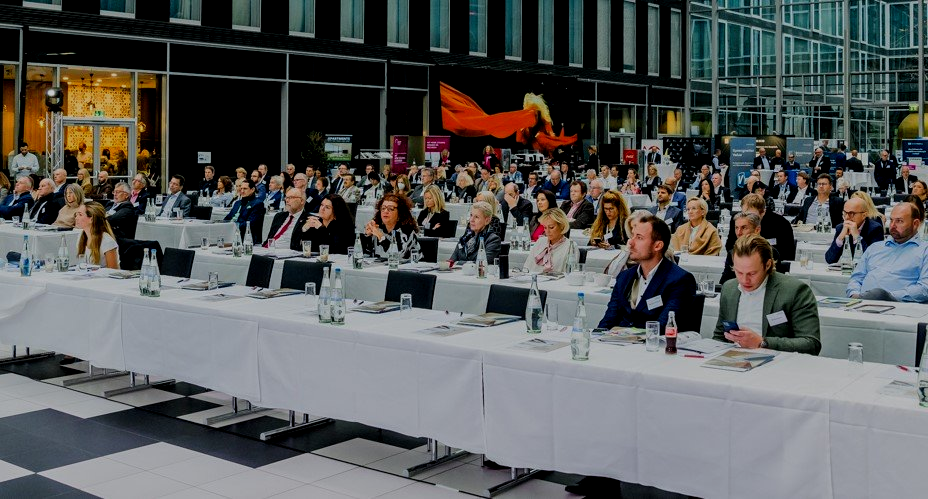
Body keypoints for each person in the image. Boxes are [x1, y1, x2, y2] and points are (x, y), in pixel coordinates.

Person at [713, 234, 821, 354]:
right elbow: (719, 336)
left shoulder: (795, 291)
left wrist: (762, 343)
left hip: (777, 362)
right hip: (732, 359)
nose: (744, 280)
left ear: (768, 265)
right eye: (739, 272)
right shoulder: (729, 289)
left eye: (752, 273)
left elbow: (811, 344)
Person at [599, 214, 698, 331]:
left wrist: (623, 333)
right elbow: (607, 321)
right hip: (616, 341)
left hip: (653, 341)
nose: (630, 242)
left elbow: (663, 327)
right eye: (632, 236)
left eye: (639, 238)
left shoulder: (680, 280)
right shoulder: (624, 277)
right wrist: (597, 337)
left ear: (657, 246)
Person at [847, 202, 928, 302]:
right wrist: (854, 294)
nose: (893, 225)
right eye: (891, 220)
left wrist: (889, 297)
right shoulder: (875, 247)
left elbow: (925, 288)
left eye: (899, 221)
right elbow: (856, 278)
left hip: (899, 306)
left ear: (915, 224)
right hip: (860, 303)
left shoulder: (924, 251)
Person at [725, 193, 796, 261]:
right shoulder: (738, 220)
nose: (747, 218)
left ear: (763, 212)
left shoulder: (782, 224)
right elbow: (730, 245)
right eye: (744, 213)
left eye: (752, 215)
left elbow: (788, 254)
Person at [824, 196, 885, 264]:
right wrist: (840, 238)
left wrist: (857, 237)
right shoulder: (841, 228)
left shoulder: (875, 229)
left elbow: (872, 259)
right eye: (845, 213)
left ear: (864, 215)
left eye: (851, 213)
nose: (847, 217)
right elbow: (830, 259)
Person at [362, 193, 419, 259]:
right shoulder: (378, 228)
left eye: (391, 209)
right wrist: (367, 236)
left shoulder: (407, 230)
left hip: (410, 265)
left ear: (400, 213)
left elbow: (396, 256)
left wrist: (381, 236)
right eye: (383, 208)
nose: (385, 211)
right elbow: (365, 254)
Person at [719, 213, 770, 284]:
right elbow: (725, 283)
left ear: (757, 230)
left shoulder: (770, 253)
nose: (738, 233)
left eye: (744, 228)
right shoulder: (732, 253)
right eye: (736, 228)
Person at [75, 202, 119, 269]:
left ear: (91, 219)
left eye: (80, 215)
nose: (76, 218)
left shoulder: (107, 241)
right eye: (76, 214)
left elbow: (113, 271)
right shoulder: (81, 236)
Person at [223, 178, 266, 244]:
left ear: (252, 189)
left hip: (246, 237)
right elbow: (228, 217)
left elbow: (250, 223)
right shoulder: (237, 203)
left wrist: (232, 227)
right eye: (241, 189)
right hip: (231, 234)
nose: (242, 191)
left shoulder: (258, 204)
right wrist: (222, 224)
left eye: (245, 189)